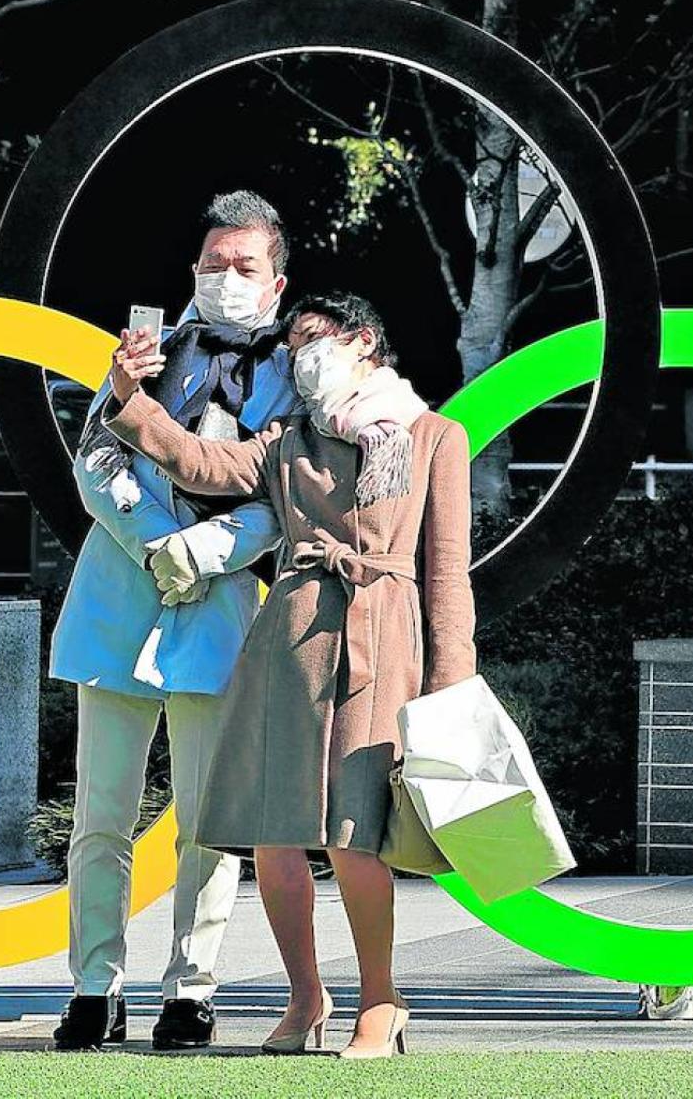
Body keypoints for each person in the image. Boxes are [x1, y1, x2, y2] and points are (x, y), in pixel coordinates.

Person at [103, 290, 476, 1060]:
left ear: (363, 342)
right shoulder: (288, 439)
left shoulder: (435, 435)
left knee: (354, 836)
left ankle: (382, 999)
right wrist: (128, 396)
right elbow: (203, 463)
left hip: (382, 642)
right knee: (274, 837)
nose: (300, 356)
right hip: (290, 641)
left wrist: (453, 683)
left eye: (314, 340)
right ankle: (306, 996)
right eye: (294, 343)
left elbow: (448, 575)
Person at [48, 191, 302, 1052]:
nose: (227, 279)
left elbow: (293, 496)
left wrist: (208, 551)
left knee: (207, 817)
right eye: (214, 263)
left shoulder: (297, 372)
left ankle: (191, 989)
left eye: (245, 266)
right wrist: (157, 540)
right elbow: (94, 457)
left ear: (277, 278)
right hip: (118, 597)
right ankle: (94, 987)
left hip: (218, 610)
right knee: (102, 813)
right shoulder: (145, 348)